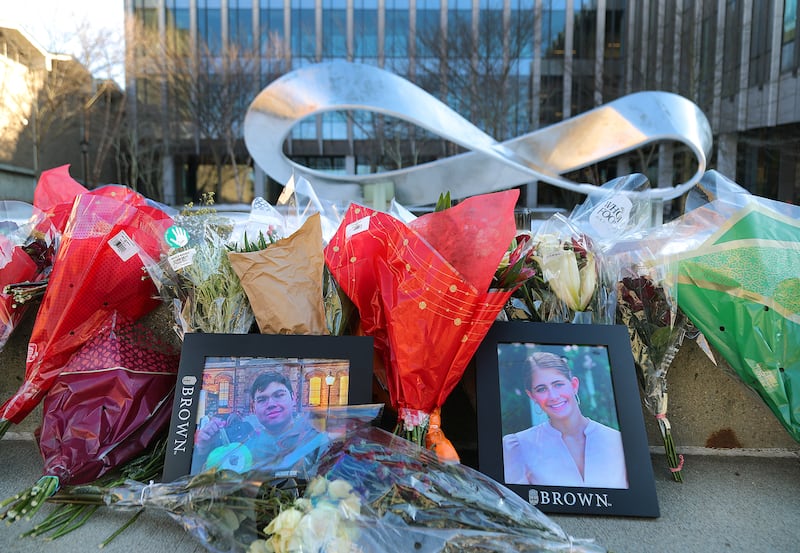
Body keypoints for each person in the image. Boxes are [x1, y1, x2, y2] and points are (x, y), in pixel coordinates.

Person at [502, 352, 628, 489]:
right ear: (532, 396)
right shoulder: (518, 446)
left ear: (574, 385)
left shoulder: (617, 441)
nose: (553, 396)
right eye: (541, 389)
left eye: (558, 384)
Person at [192, 370, 328, 475]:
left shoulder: (318, 442)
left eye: (279, 395)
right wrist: (204, 448)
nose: (271, 404)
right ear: (253, 407)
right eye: (262, 399)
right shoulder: (243, 442)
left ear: (293, 398)